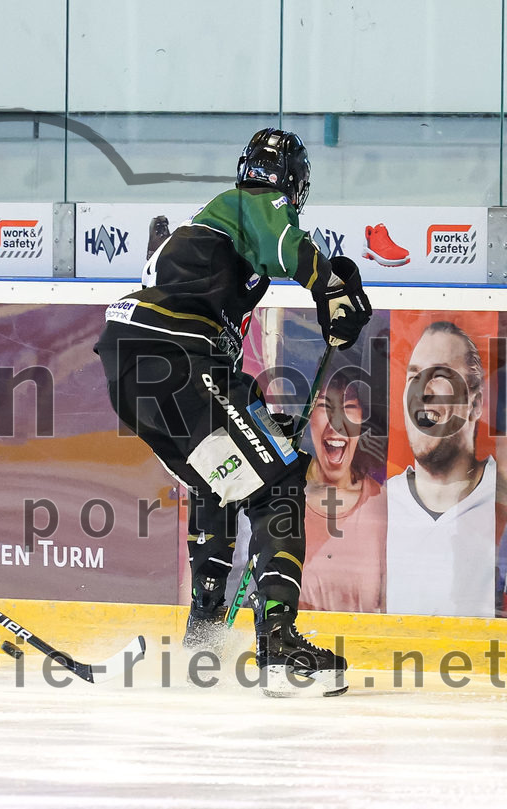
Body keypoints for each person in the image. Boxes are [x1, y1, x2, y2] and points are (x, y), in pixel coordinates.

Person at [95, 128, 372, 695]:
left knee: (221, 482)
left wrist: (265, 427)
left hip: (130, 364)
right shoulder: (248, 203)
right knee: (280, 487)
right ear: (293, 183)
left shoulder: (210, 236)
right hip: (171, 352)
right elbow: (287, 241)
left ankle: (204, 633)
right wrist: (328, 288)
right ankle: (279, 646)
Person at [386, 321, 496, 617]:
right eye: (415, 377)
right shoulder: (375, 507)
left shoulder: (501, 499)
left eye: (440, 375)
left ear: (475, 405)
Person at [300, 370, 386, 613]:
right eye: (323, 406)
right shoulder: (280, 498)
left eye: (348, 406)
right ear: (307, 418)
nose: (337, 422)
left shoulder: (384, 506)